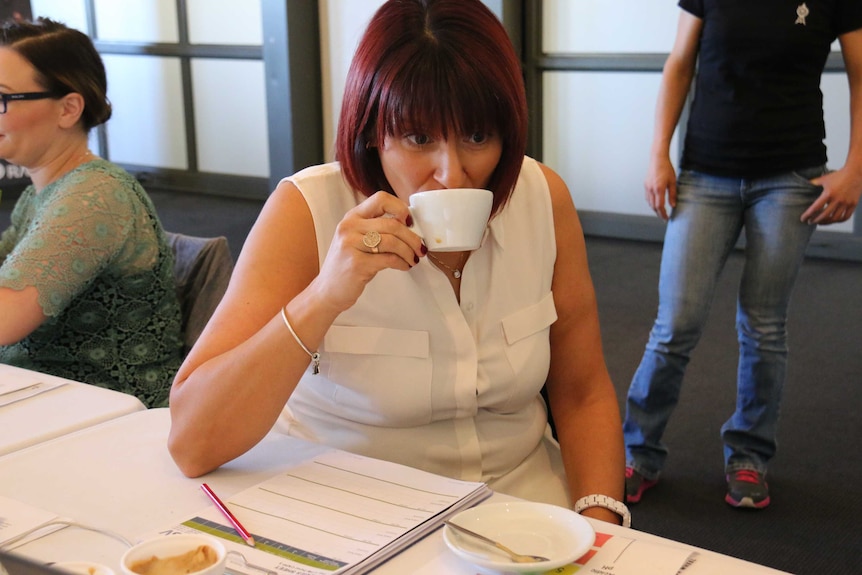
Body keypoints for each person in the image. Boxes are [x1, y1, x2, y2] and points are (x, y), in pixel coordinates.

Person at [169, 0, 628, 526]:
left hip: (521, 512)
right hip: (350, 518)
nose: (452, 174)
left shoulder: (542, 198)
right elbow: (192, 442)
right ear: (371, 130)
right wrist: (326, 294)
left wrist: (599, 523)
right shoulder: (307, 211)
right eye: (418, 138)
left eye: (477, 137)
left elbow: (583, 390)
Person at [624, 0, 862, 509]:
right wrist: (657, 154)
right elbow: (679, 63)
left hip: (791, 179)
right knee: (676, 323)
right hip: (705, 173)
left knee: (764, 323)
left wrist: (855, 168)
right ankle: (637, 452)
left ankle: (749, 457)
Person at [0, 18, 183, 408]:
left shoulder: (95, 195)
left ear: (68, 109)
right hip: (49, 403)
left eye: (2, 99)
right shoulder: (39, 196)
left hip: (110, 419)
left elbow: (4, 320)